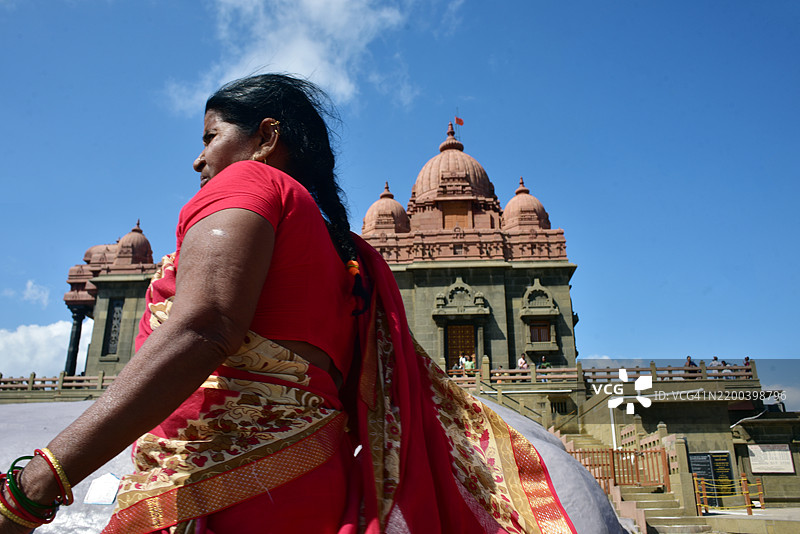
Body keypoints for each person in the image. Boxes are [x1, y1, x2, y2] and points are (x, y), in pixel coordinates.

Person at [0, 74, 611, 534]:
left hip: (222, 489)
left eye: (211, 138)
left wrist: (36, 482)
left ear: (266, 138)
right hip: (308, 484)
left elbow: (204, 326)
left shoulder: (251, 183)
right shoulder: (345, 255)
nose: (199, 158)